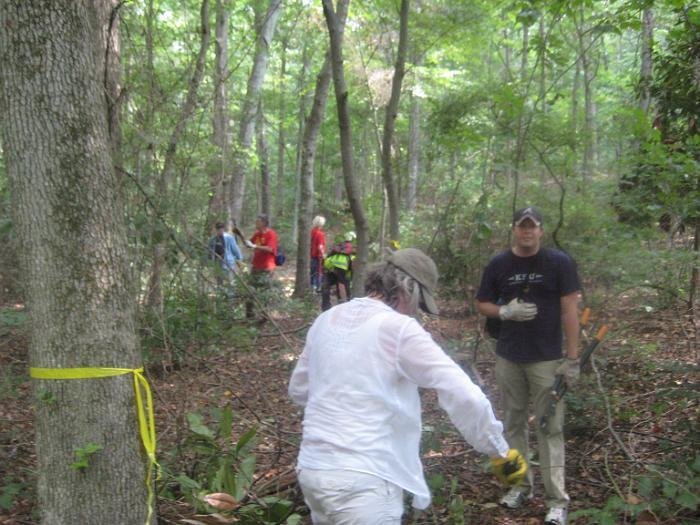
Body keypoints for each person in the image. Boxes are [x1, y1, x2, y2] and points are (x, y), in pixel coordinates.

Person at [289, 248, 527, 524]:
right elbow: (463, 393)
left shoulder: (326, 319)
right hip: (366, 480)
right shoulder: (399, 328)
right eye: (419, 303)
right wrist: (498, 450)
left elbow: (299, 389)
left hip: (313, 470)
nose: (417, 312)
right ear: (407, 290)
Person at [475, 207, 581, 525]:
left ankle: (557, 501)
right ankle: (519, 486)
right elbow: (482, 303)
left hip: (546, 359)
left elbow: (569, 311)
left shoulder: (558, 263)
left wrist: (572, 359)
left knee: (550, 428)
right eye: (522, 227)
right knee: (512, 425)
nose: (527, 232)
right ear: (514, 230)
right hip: (508, 357)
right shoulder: (499, 264)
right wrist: (504, 312)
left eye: (532, 226)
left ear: (541, 230)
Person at [239, 214, 278, 320]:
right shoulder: (257, 234)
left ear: (264, 223)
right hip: (255, 267)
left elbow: (270, 249)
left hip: (267, 268)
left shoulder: (271, 234)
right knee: (250, 290)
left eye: (258, 221)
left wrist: (255, 246)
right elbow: (249, 244)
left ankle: (265, 316)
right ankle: (249, 316)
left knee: (265, 291)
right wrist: (241, 237)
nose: (256, 223)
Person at [320, 231, 355, 311]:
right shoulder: (349, 253)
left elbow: (328, 258)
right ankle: (342, 305)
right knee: (342, 286)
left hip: (330, 268)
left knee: (328, 287)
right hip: (337, 269)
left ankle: (327, 307)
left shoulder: (339, 247)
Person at [208, 221, 243, 298]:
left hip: (228, 262)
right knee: (219, 281)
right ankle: (221, 297)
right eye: (218, 229)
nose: (220, 230)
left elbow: (235, 248)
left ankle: (231, 297)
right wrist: (210, 262)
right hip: (218, 263)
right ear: (216, 230)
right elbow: (210, 252)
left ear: (223, 229)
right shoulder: (212, 240)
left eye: (221, 229)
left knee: (230, 281)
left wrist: (239, 258)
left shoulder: (229, 238)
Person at [310, 216, 326, 292]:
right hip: (317, 256)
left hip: (311, 255)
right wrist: (324, 256)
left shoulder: (311, 232)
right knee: (318, 273)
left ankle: (311, 288)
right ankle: (317, 289)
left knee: (312, 272)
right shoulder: (320, 234)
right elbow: (320, 246)